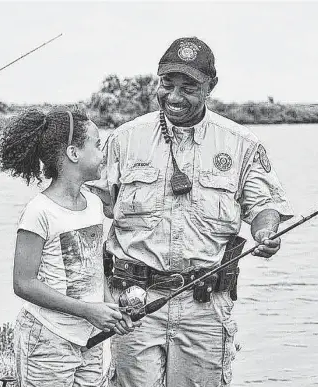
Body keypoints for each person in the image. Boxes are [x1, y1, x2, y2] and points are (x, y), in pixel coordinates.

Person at [88, 37, 294, 387]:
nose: (174, 97)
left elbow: (265, 206)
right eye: (167, 85)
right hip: (132, 303)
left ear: (211, 86)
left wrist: (265, 232)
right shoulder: (124, 139)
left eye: (188, 87)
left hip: (205, 307)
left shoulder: (241, 143)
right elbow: (90, 210)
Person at [0, 107, 138, 387]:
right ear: (73, 154)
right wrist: (86, 310)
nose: (103, 154)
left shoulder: (95, 205)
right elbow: (23, 284)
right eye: (97, 146)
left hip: (90, 337)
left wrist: (109, 308)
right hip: (47, 339)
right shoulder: (39, 212)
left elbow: (94, 270)